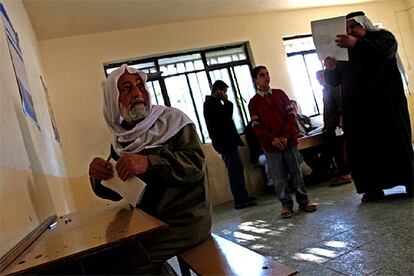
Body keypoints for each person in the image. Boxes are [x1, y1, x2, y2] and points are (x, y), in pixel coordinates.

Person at [88, 64, 212, 274]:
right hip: (149, 222)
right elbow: (120, 190)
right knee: (108, 256)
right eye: (127, 89)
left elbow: (195, 165)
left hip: (186, 220)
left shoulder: (174, 121)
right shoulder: (121, 140)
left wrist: (149, 162)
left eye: (140, 86)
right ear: (113, 101)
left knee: (129, 263)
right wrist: (99, 177)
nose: (138, 94)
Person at [324, 11, 413, 202]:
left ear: (364, 24)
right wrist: (330, 69)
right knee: (365, 150)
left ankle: (410, 183)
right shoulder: (342, 51)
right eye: (347, 28)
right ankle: (372, 188)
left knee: (396, 144)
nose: (350, 31)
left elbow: (384, 53)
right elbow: (334, 81)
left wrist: (356, 44)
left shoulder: (383, 37)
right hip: (358, 111)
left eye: (354, 26)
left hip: (387, 106)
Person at [248, 65, 317, 218]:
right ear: (255, 80)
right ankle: (286, 205)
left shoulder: (280, 94)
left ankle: (304, 201)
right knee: (278, 177)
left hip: (289, 141)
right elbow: (256, 126)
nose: (266, 77)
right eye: (261, 75)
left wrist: (285, 136)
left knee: (296, 172)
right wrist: (272, 139)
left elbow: (291, 116)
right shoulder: (253, 103)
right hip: (271, 146)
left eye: (267, 73)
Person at [203, 80, 257, 209]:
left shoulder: (214, 103)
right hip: (225, 144)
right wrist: (227, 101)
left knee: (237, 170)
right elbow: (226, 116)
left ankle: (243, 196)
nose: (226, 94)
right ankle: (240, 200)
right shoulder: (211, 104)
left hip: (228, 143)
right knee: (234, 171)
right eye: (224, 91)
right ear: (219, 91)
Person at [316, 70, 352, 187]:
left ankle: (346, 173)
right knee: (334, 149)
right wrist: (326, 126)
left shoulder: (333, 87)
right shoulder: (325, 90)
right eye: (317, 77)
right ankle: (340, 172)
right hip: (331, 125)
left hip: (337, 124)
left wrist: (341, 121)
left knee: (340, 149)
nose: (319, 79)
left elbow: (340, 104)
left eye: (321, 76)